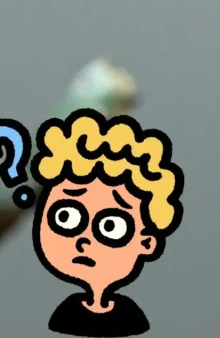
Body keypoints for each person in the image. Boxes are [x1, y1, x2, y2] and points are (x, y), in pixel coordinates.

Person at [30, 109, 184, 337]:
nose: (84, 240)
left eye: (111, 226)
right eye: (66, 217)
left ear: (147, 242)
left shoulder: (131, 320)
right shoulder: (64, 316)